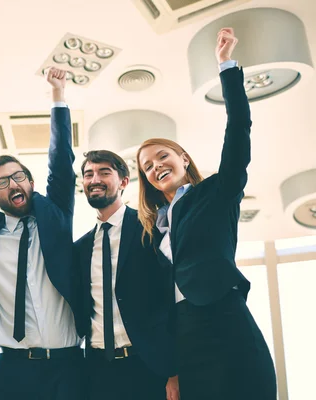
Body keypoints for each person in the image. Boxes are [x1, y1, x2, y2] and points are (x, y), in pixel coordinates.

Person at [136, 28, 277, 399]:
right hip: (184, 337)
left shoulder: (216, 191)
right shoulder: (151, 229)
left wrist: (226, 66)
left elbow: (239, 130)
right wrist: (169, 368)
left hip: (226, 321)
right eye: (147, 166)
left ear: (182, 157)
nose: (156, 167)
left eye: (162, 155)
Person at [0, 67, 81, 400]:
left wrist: (58, 95)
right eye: (2, 182)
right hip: (13, 369)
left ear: (30, 181)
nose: (12, 184)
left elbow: (60, 161)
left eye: (18, 176)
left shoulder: (54, 216)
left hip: (67, 366)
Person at [74, 150, 179, 400]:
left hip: (150, 366)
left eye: (104, 172)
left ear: (123, 181)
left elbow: (173, 300)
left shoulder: (152, 229)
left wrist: (174, 371)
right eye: (88, 174)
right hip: (99, 371)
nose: (94, 179)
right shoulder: (79, 248)